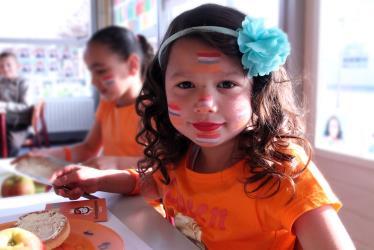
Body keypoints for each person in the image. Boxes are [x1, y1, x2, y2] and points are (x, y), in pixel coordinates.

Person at [51, 4, 355, 249]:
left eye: (226, 83)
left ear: (257, 90)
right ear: (162, 91)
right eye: (185, 84)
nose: (205, 103)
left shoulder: (282, 169)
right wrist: (99, 179)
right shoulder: (182, 153)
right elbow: (153, 182)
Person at [17, 26, 154, 169]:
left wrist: (116, 163)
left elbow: (164, 166)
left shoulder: (154, 109)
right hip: (111, 190)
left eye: (101, 71)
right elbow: (88, 148)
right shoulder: (108, 103)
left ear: (133, 65)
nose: (93, 81)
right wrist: (48, 154)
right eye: (91, 72)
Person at [0, 51, 34, 157]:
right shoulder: (1, 83)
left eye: (8, 65)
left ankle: (7, 165)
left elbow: (26, 106)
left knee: (11, 145)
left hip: (19, 124)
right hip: (4, 121)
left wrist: (3, 105)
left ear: (18, 66)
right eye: (1, 66)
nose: (5, 68)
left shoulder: (25, 83)